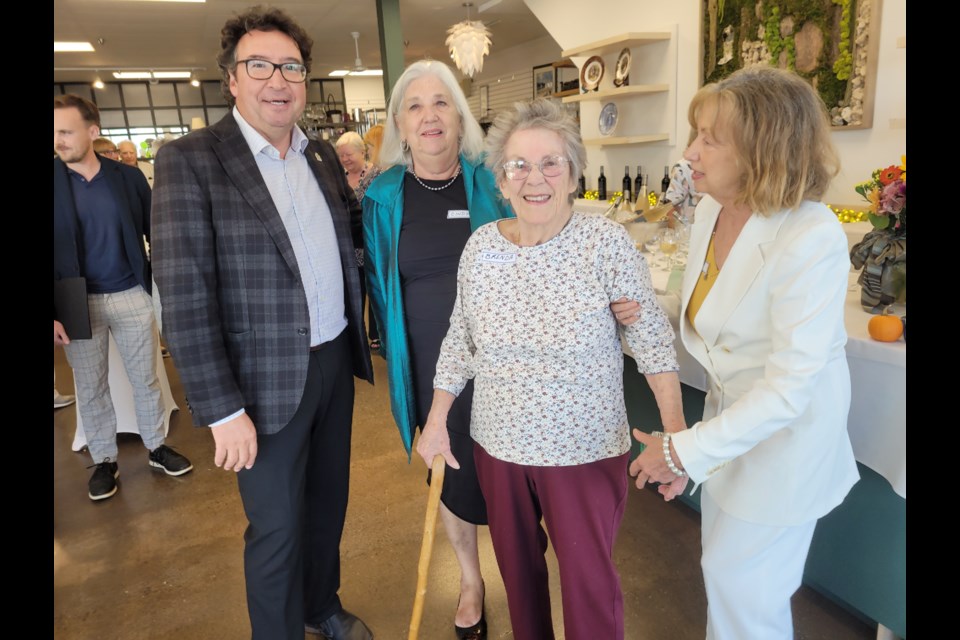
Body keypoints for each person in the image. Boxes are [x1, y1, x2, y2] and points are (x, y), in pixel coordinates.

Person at [416, 98, 687, 640]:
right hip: (497, 446)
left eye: (550, 163)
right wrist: (439, 416)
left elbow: (653, 341)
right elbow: (460, 340)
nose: (533, 178)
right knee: (519, 581)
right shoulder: (481, 249)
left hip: (581, 450)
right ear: (500, 177)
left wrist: (677, 435)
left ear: (573, 173)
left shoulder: (604, 244)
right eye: (518, 164)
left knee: (589, 586)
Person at [151, 7, 374, 640]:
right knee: (276, 527)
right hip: (259, 380)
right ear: (231, 78)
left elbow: (349, 247)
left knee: (328, 506)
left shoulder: (322, 156)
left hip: (332, 358)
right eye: (260, 65)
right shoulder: (190, 160)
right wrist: (221, 409)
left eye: (292, 67)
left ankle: (320, 605)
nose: (278, 80)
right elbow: (184, 294)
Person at [629, 66, 860, 640]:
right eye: (695, 134)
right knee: (727, 584)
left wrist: (682, 453)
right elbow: (700, 312)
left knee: (746, 598)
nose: (690, 152)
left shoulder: (812, 235)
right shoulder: (711, 210)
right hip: (730, 434)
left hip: (783, 449)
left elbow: (788, 389)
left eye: (711, 138)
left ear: (765, 147)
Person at [364, 59, 510, 639]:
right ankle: (471, 579)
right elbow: (380, 281)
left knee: (510, 469)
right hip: (427, 360)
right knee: (451, 473)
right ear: (399, 122)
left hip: (503, 361)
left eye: (441, 102)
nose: (429, 115)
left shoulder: (490, 179)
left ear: (459, 116)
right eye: (415, 105)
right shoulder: (382, 196)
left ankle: (520, 569)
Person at [54, 94, 193, 501]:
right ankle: (103, 461)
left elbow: (157, 232)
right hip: (76, 301)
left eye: (66, 131)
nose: (58, 140)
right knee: (90, 386)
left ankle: (156, 446)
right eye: (55, 133)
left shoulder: (128, 178)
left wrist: (167, 286)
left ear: (92, 131)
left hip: (132, 291)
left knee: (146, 378)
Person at [337, 131, 383, 354]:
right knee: (354, 291)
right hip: (348, 245)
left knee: (374, 287)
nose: (345, 159)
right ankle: (357, 334)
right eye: (341, 155)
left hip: (372, 241)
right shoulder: (339, 177)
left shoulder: (377, 175)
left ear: (362, 152)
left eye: (349, 154)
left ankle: (377, 335)